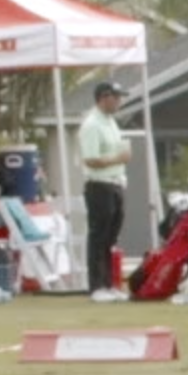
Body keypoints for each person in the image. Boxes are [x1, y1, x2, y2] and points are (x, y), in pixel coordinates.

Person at [76, 80, 129, 299]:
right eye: (115, 97)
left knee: (111, 237)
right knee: (99, 235)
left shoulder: (110, 122)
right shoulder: (92, 125)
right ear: (103, 98)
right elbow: (91, 160)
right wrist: (118, 158)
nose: (119, 101)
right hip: (99, 185)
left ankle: (109, 283)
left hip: (116, 183)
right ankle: (97, 286)